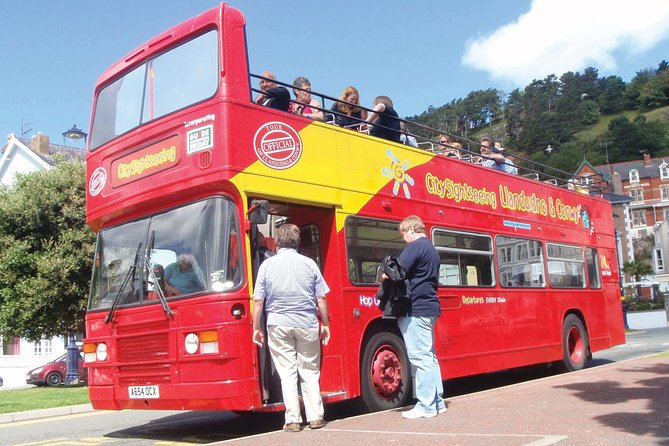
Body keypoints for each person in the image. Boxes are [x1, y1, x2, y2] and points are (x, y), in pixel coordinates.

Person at [252, 223, 331, 432]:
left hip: (278, 324)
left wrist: (256, 328)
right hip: (307, 323)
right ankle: (315, 417)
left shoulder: (267, 266)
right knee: (309, 371)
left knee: (287, 373)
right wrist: (326, 323)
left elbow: (258, 301)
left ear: (277, 242)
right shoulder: (309, 264)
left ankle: (293, 420)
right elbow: (321, 297)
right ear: (296, 242)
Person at [395, 215, 446, 419]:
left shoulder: (415, 247)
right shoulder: (432, 250)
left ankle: (425, 405)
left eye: (403, 234)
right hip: (430, 307)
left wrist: (383, 275)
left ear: (412, 230)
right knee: (430, 357)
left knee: (420, 358)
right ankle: (437, 402)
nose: (403, 238)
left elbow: (398, 271)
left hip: (416, 308)